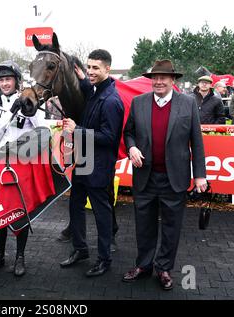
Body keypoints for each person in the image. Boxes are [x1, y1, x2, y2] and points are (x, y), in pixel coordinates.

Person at [122, 59, 207, 290]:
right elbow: (128, 132)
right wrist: (131, 147)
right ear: (150, 80)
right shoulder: (138, 103)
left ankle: (164, 268)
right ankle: (144, 265)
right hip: (145, 177)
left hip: (175, 178)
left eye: (163, 77)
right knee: (144, 225)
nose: (158, 81)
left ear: (173, 80)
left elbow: (196, 142)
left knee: (171, 228)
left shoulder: (187, 103)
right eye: (154, 77)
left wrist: (200, 174)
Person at [59, 49, 124, 277]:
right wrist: (83, 79)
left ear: (108, 68)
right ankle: (80, 249)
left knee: (101, 214)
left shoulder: (112, 101)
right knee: (74, 206)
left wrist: (76, 130)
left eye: (96, 68)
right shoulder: (96, 91)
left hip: (99, 166)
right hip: (83, 161)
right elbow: (90, 90)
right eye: (88, 67)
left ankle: (104, 259)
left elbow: (109, 137)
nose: (91, 71)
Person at [0, 60, 46, 277]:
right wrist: (11, 112)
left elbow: (43, 130)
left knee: (21, 212)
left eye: (8, 79)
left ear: (16, 81)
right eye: (1, 80)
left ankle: (20, 256)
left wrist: (32, 111)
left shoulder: (29, 100)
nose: (4, 83)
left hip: (23, 162)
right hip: (0, 161)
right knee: (1, 211)